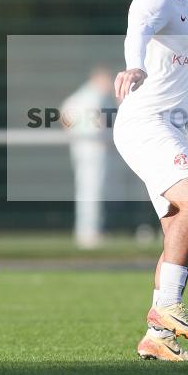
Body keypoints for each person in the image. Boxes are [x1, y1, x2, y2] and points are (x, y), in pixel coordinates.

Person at [113, 0, 188, 361]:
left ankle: (157, 336)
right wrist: (133, 64)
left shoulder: (181, 1)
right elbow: (138, 28)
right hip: (145, 123)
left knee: (177, 226)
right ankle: (168, 307)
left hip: (167, 126)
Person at [60, 66, 115, 249]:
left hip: (83, 148)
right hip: (93, 149)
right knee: (92, 191)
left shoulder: (81, 95)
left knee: (88, 190)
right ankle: (89, 233)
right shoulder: (93, 96)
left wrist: (74, 135)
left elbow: (65, 113)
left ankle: (88, 231)